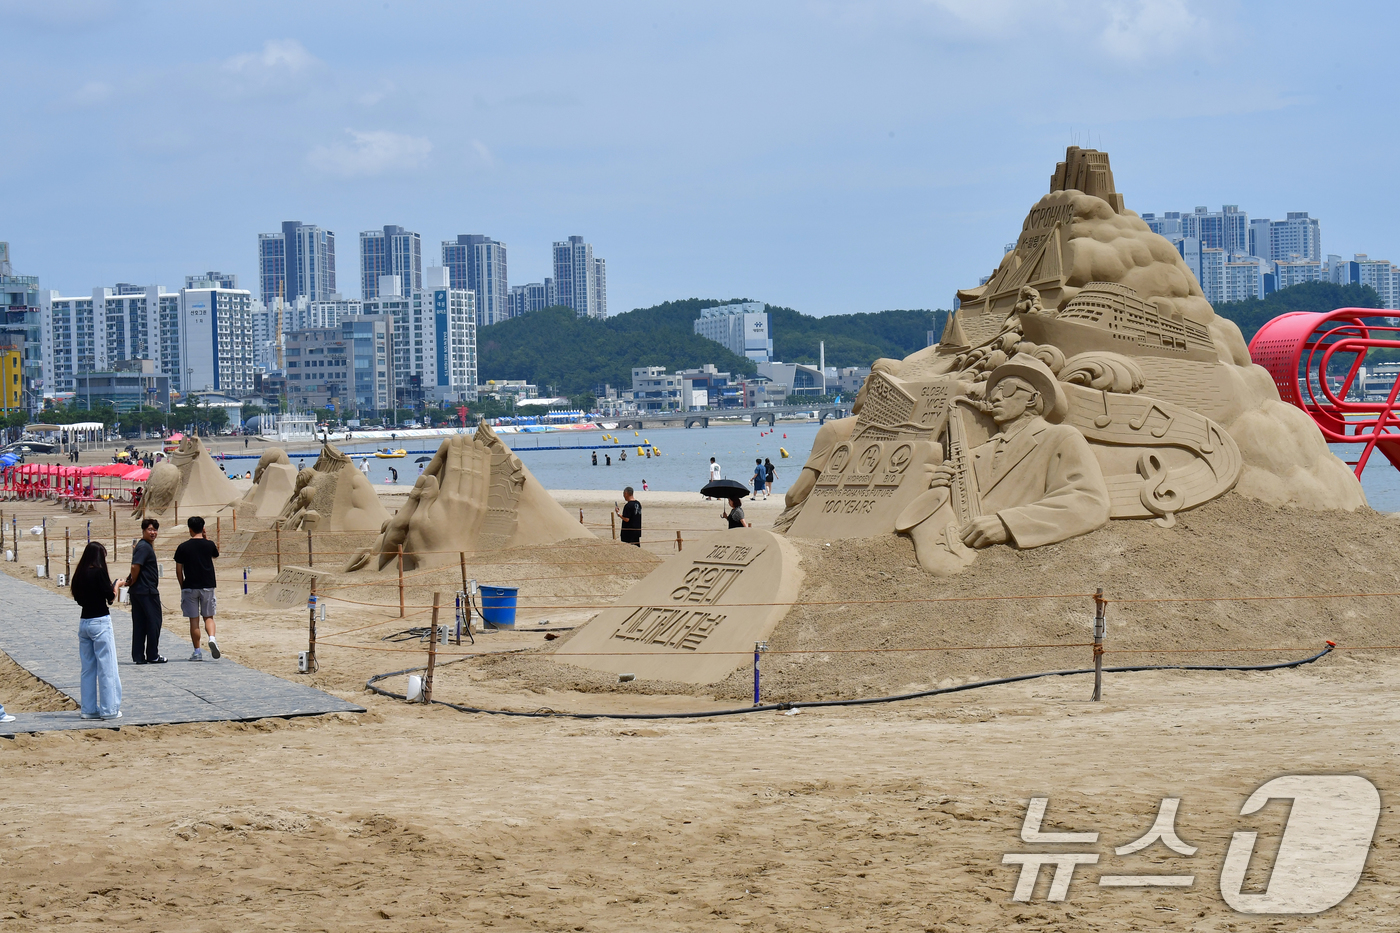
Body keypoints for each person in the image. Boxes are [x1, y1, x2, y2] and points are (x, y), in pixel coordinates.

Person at [897, 354, 1111, 575]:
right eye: (993, 392)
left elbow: (1090, 502)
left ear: (1032, 399)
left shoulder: (1061, 436)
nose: (996, 398)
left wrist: (1008, 524)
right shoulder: (974, 454)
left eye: (1007, 390)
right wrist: (943, 487)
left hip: (1025, 572)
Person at [71, 541, 123, 720]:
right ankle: (109, 709)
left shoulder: (79, 574)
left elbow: (78, 598)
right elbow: (110, 597)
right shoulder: (99, 572)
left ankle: (88, 709)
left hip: (84, 621)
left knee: (87, 669)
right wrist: (116, 586)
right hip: (100, 621)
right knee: (107, 666)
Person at [174, 516, 220, 661]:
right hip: (207, 585)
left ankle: (197, 651)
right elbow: (215, 555)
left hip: (190, 586)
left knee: (194, 620)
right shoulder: (209, 544)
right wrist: (206, 537)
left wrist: (182, 585)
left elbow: (178, 569)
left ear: (190, 529)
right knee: (208, 617)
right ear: (203, 527)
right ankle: (212, 638)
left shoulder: (183, 547)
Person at [126, 518, 165, 664]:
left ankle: (139, 656)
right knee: (154, 622)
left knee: (140, 623)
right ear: (143, 530)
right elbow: (135, 566)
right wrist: (133, 580)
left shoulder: (144, 546)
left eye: (155, 530)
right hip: (146, 591)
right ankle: (152, 655)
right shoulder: (143, 547)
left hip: (140, 591)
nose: (153, 532)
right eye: (150, 529)